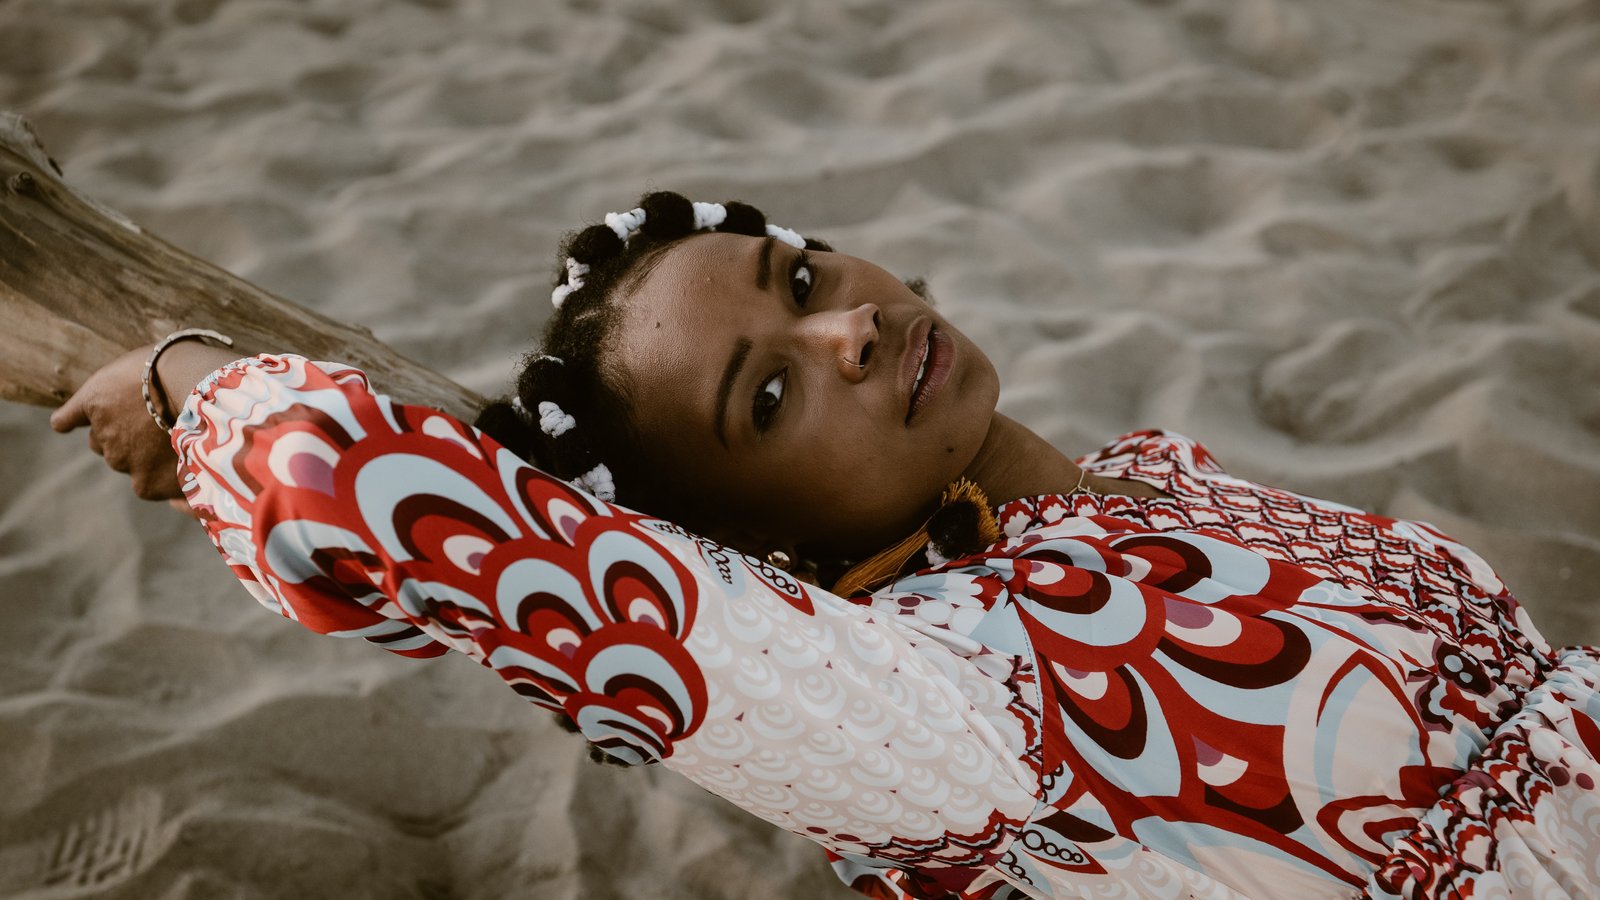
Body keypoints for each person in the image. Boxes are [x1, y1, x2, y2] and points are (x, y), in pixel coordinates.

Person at [51, 191, 1600, 899]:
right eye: (772, 390)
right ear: (743, 543)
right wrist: (197, 385)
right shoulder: (925, 708)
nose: (855, 325)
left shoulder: (1138, 485)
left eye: (797, 273)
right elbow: (393, 502)